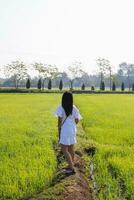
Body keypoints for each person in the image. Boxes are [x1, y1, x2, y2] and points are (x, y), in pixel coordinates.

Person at [55, 91, 82, 174]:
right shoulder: (74, 108)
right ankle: (71, 164)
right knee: (71, 148)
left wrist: (59, 129)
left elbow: (59, 121)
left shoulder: (61, 107)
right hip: (72, 129)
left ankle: (71, 168)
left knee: (64, 149)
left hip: (65, 129)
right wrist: (72, 124)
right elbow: (77, 120)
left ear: (63, 99)